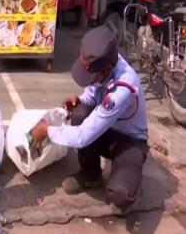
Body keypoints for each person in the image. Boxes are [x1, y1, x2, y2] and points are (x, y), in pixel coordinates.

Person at [31, 26, 149, 209]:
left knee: (120, 196)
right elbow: (93, 93)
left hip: (129, 141)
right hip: (107, 130)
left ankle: (129, 173)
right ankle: (91, 174)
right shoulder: (105, 64)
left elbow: (83, 136)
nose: (90, 79)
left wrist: (47, 130)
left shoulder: (123, 88)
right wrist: (80, 99)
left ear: (108, 69)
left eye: (92, 76)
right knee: (79, 112)